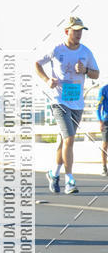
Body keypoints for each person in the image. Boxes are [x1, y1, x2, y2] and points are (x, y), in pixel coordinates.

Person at [35, 17, 99, 195]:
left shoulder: (86, 52)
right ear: (67, 32)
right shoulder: (57, 49)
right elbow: (37, 64)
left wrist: (85, 70)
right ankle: (69, 180)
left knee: (65, 141)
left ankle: (53, 173)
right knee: (70, 139)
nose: (78, 34)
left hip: (77, 103)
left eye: (81, 31)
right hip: (59, 101)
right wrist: (47, 80)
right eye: (75, 30)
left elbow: (96, 73)